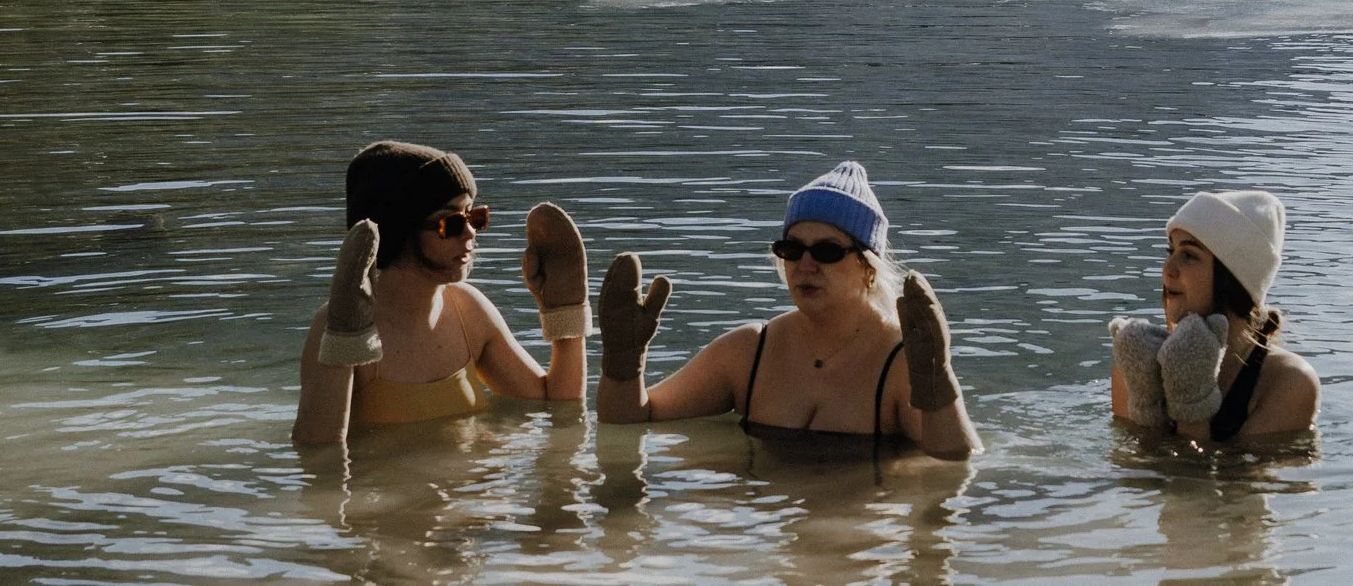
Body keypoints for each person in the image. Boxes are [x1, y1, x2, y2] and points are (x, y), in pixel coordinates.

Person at [592, 160, 980, 458]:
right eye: (791, 249)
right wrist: (624, 362)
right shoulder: (750, 351)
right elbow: (627, 421)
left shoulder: (902, 364)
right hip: (769, 527)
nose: (805, 265)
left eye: (827, 251)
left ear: (868, 268)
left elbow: (956, 466)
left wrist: (938, 386)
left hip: (861, 531)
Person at [294, 139, 591, 446]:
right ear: (400, 231)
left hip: (479, 489)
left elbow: (556, 411)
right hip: (393, 489)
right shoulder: (338, 325)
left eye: (474, 217)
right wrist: (344, 338)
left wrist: (564, 314)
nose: (470, 233)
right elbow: (317, 450)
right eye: (450, 223)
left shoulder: (468, 309)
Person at [1110, 189, 1318, 442]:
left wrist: (1191, 407)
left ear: (1233, 278)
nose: (1167, 270)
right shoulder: (1136, 367)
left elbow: (1234, 482)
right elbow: (1135, 477)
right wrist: (1146, 404)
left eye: (1189, 255)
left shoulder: (1289, 383)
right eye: (1170, 252)